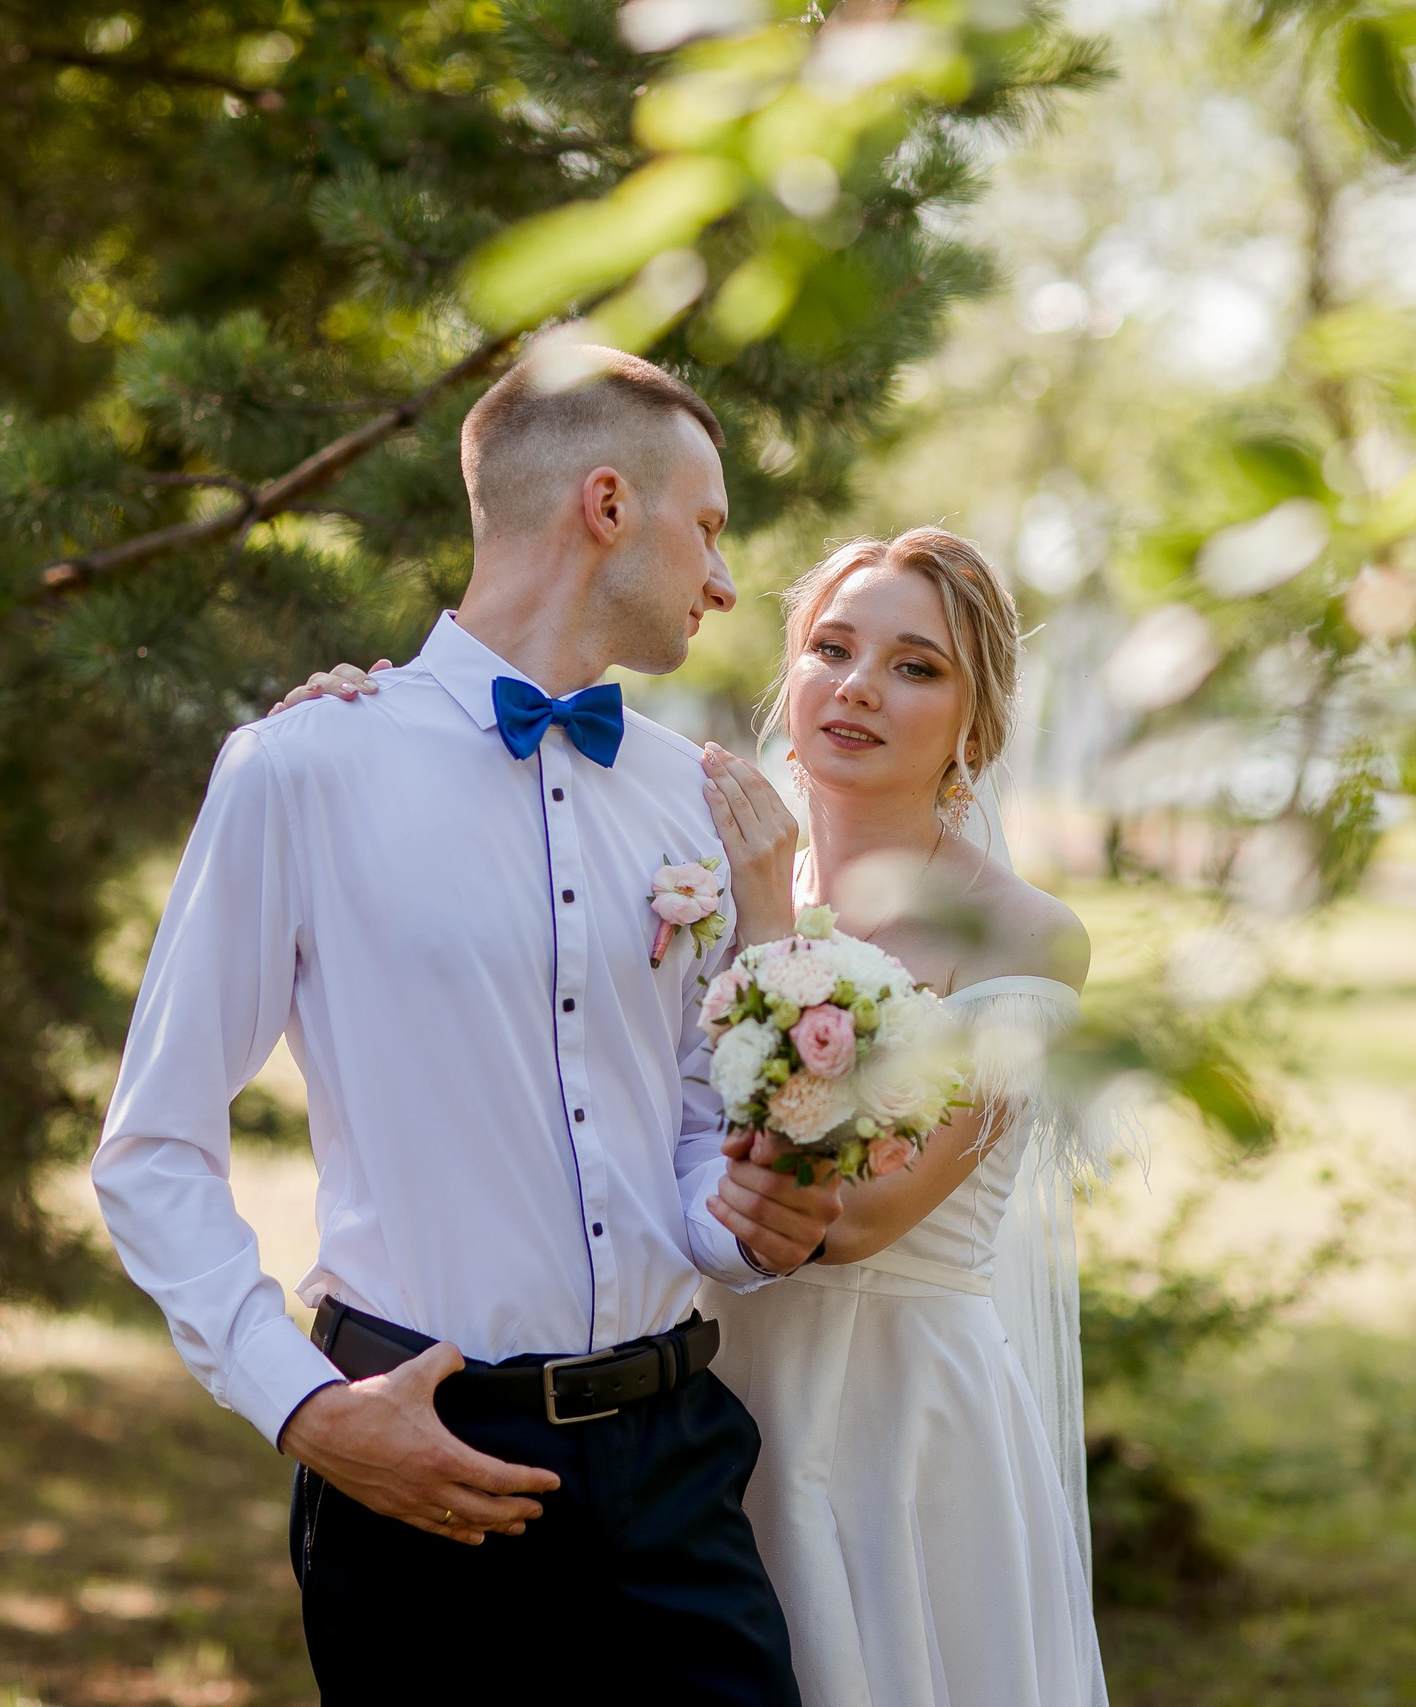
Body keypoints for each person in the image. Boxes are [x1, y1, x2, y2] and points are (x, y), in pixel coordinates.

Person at [92, 346, 847, 1706]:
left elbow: (680, 1116)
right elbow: (151, 1145)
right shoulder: (306, 766)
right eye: (710, 526)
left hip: (678, 1465)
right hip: (422, 1464)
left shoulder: (697, 797)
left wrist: (738, 1210)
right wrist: (308, 1408)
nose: (725, 582)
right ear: (606, 504)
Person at [287, 526, 1110, 1706]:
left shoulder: (1020, 936)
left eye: (916, 666)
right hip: (681, 1403)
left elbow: (851, 1216)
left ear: (975, 722)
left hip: (889, 1414)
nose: (859, 688)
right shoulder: (685, 842)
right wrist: (362, 727)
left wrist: (770, 915)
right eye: (832, 648)